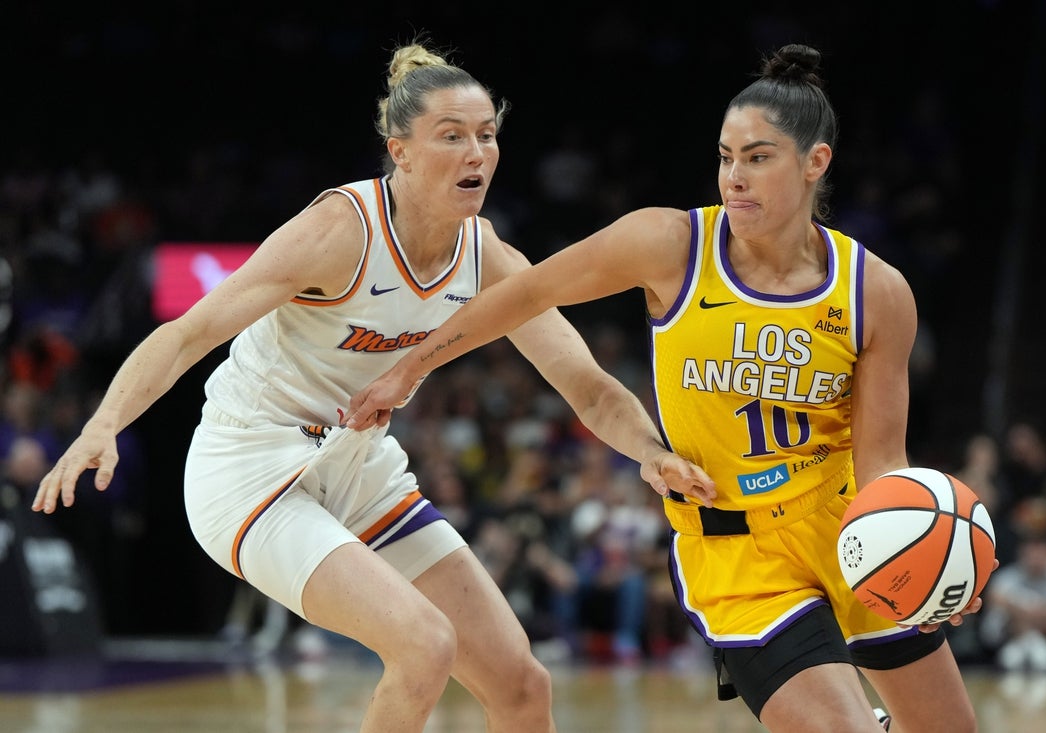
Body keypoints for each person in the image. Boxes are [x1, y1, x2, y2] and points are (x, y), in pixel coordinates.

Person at [31, 39, 717, 733]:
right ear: (401, 152)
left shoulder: (488, 256)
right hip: (251, 463)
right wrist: (103, 423)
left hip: (358, 466)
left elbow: (587, 385)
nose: (477, 153)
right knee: (423, 646)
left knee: (520, 684)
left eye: (486, 135)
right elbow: (189, 332)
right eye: (452, 136)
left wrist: (650, 452)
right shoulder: (340, 230)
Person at [345, 44, 992, 732]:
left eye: (758, 157)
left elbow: (882, 461)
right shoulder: (671, 244)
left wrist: (934, 553)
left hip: (846, 534)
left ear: (815, 162)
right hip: (737, 554)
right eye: (726, 156)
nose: (734, 177)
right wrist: (410, 368)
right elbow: (526, 292)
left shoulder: (877, 292)